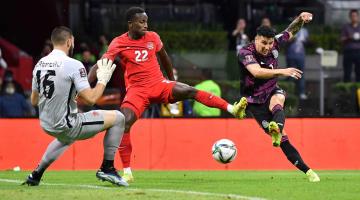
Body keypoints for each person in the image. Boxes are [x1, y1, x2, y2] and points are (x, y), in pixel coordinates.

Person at [88, 7, 247, 182]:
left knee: (189, 90)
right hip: (137, 91)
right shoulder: (118, 42)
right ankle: (127, 171)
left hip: (158, 84)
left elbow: (164, 58)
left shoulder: (153, 37)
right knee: (124, 122)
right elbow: (100, 64)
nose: (145, 25)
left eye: (146, 22)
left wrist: (171, 81)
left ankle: (233, 109)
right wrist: (85, 86)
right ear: (130, 24)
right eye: (141, 22)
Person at [22, 26, 128, 187]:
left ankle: (36, 174)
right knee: (119, 118)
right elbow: (91, 99)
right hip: (67, 124)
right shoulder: (73, 64)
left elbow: (34, 101)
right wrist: (103, 80)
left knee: (66, 139)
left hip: (46, 124)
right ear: (69, 41)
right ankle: (107, 167)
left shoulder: (40, 64)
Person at [237, 12, 320, 182]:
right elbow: (256, 72)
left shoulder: (275, 43)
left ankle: (310, 173)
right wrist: (283, 71)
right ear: (256, 39)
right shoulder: (246, 51)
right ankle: (305, 167)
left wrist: (300, 19)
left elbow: (290, 31)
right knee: (283, 139)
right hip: (253, 101)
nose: (267, 47)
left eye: (269, 43)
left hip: (272, 91)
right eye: (263, 43)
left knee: (279, 100)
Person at [286, 26, 309, 100]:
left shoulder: (305, 30)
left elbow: (307, 42)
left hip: (301, 55)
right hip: (291, 55)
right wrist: (291, 39)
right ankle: (290, 93)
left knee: (301, 75)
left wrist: (306, 41)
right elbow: (285, 41)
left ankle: (301, 93)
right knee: (291, 75)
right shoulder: (290, 29)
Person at [341, 9, 360, 82]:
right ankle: (346, 91)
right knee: (347, 72)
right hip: (348, 52)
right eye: (352, 16)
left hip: (358, 52)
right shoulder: (346, 27)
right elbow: (342, 39)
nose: (354, 17)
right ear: (350, 17)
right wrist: (349, 37)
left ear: (358, 17)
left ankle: (358, 91)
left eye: (355, 16)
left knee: (358, 72)